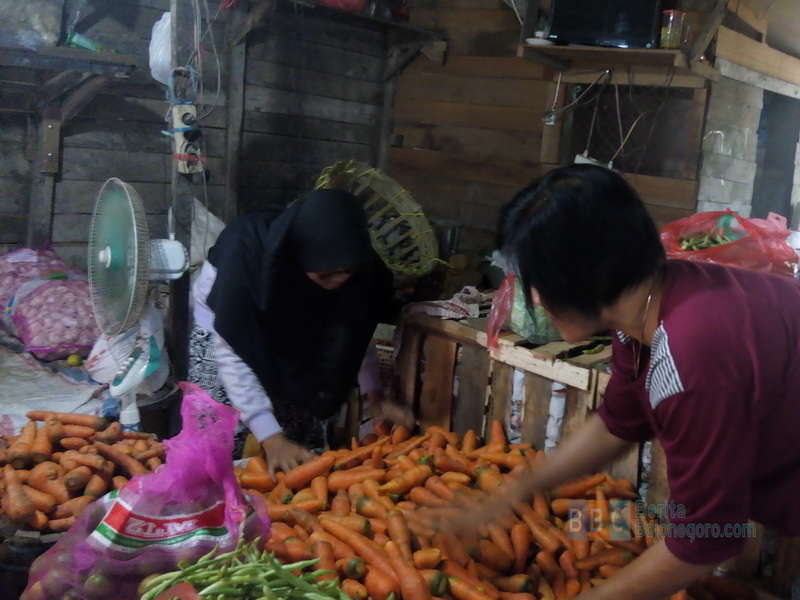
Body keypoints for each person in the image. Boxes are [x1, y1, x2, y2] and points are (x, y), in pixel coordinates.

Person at [446, 165, 800, 600]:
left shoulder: (693, 355)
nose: (535, 298)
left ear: (580, 277)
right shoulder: (642, 312)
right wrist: (512, 493)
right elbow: (619, 421)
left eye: (538, 282)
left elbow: (707, 541)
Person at [189, 189, 413, 474]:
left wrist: (374, 395)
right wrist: (269, 436)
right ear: (302, 257)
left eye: (347, 273)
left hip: (295, 326)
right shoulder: (246, 256)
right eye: (325, 275)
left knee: (300, 445)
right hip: (225, 329)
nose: (338, 281)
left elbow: (353, 333)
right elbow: (233, 349)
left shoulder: (362, 274)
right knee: (219, 444)